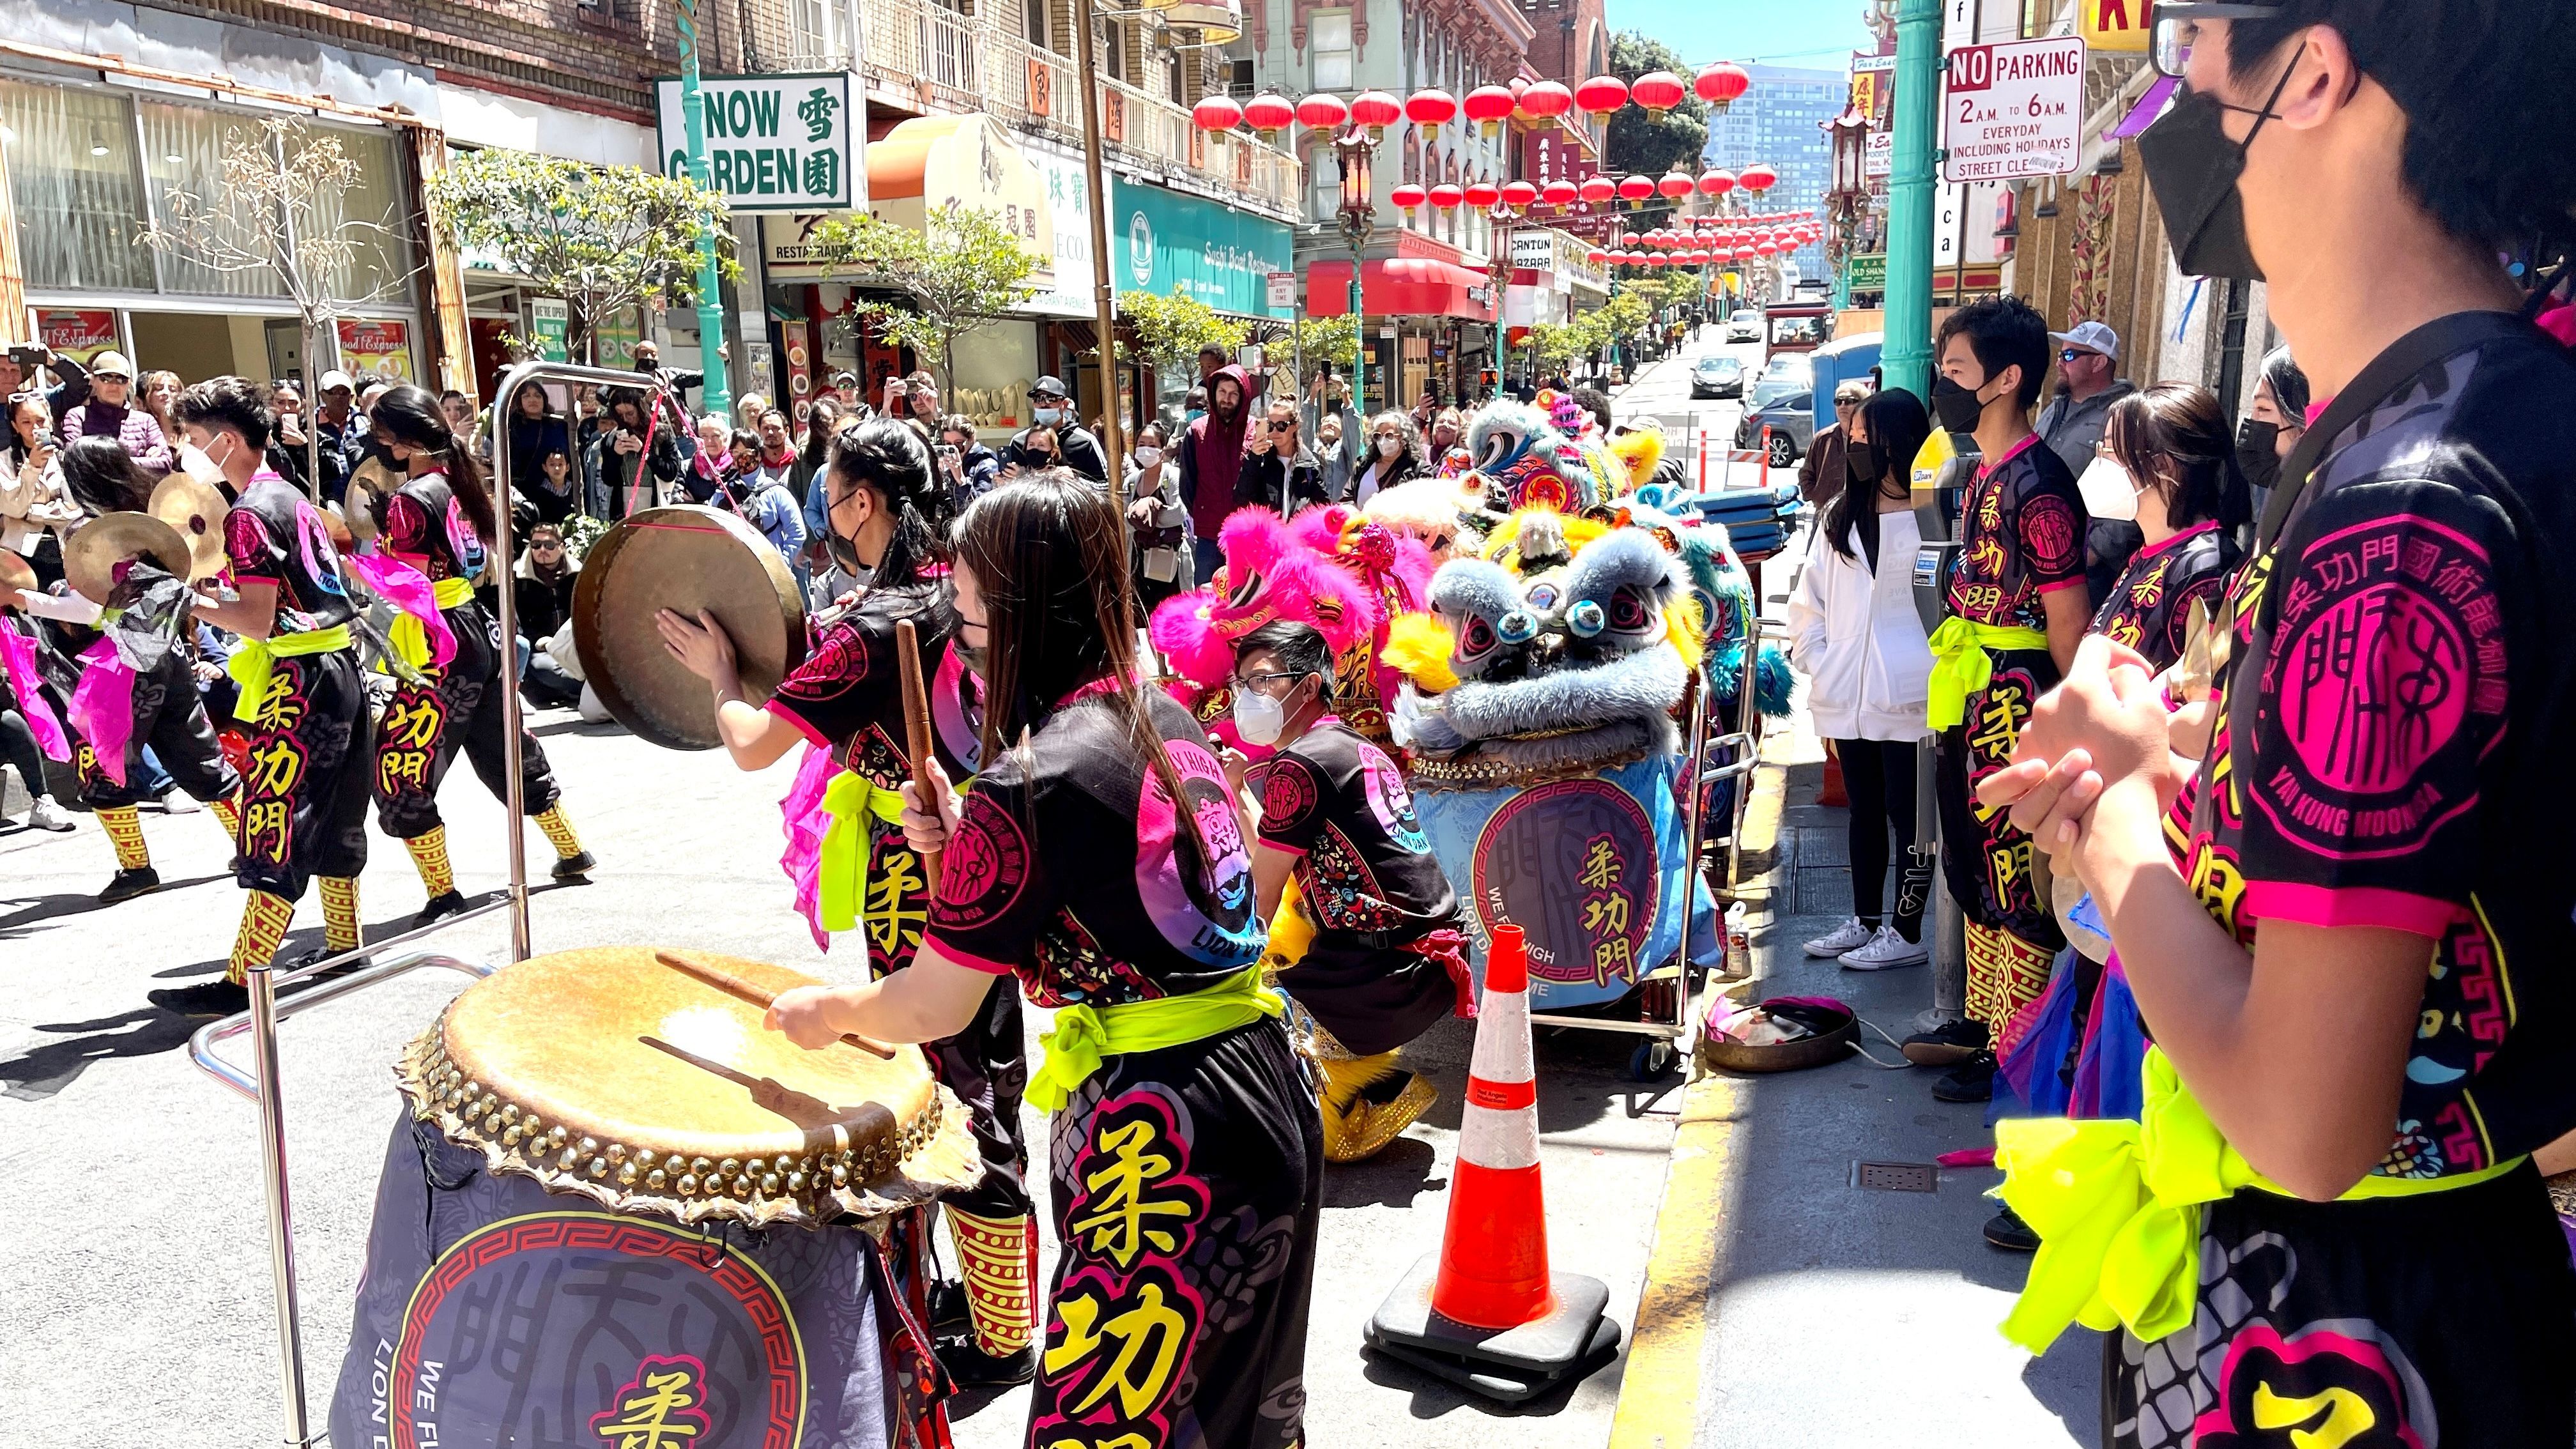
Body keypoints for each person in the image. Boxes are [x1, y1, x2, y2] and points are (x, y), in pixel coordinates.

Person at [1981, 8, 2576, 1443]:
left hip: (2346, 1338)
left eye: (2192, 44)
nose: (2172, 91)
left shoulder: (2406, 506)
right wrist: (2181, 759)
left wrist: (2115, 832)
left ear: (2312, 71)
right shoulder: (2487, 416)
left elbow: (2306, 1121)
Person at [761, 471, 1318, 1447]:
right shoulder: (1162, 715)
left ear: (1024, 619)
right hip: (1264, 1089)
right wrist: (952, 849)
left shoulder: (1031, 780)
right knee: (1229, 1417)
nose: (963, 642)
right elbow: (1105, 911)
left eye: (970, 619)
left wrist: (832, 1013)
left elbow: (935, 1004)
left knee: (1106, 1425)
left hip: (1166, 1132)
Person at [656, 418, 1039, 1388]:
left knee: (945, 1087)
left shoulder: (874, 627)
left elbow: (751, 743)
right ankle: (1000, 1307)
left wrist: (718, 675)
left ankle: (999, 1340)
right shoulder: (965, 594)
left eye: (831, 495)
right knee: (987, 1075)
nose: (828, 512)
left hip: (921, 876)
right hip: (982, 847)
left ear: (864, 501)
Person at [1906, 295, 2089, 1103]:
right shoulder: (1985, 473)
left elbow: (2067, 619)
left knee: (2015, 875)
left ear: (2007, 378)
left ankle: (2024, 1051)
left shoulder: (2040, 485)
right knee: (1972, 863)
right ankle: (1985, 1027)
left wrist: (2069, 721)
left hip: (2016, 699)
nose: (1944, 389)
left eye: (1955, 373)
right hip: (1974, 695)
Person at [153, 377, 372, 1016]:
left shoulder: (249, 511)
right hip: (337, 668)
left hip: (299, 683)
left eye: (192, 440)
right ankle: (342, 942)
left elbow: (254, 618)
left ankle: (244, 977)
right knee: (333, 812)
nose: (187, 453)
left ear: (224, 442)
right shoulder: (291, 496)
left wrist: (183, 599)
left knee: (278, 816)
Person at [1220, 620, 1469, 1160]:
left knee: (1241, 983)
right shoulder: (1344, 744)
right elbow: (1276, 848)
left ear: (1308, 687)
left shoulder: (1301, 764)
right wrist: (1238, 789)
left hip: (1384, 972)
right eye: (1242, 684)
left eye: (1262, 682)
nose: (1247, 697)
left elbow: (1260, 896)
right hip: (1419, 958)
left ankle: (1348, 1108)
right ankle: (1361, 1081)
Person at [362, 384, 591, 927]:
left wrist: (359, 561)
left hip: (439, 638)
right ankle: (571, 849)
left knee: (398, 767)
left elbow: (407, 584)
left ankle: (443, 893)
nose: (378, 442)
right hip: (474, 630)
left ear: (402, 437)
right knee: (505, 744)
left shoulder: (412, 499)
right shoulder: (454, 484)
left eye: (382, 432)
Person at [1788, 388, 1938, 971]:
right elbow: (1810, 602)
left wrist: (1925, 670)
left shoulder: (1936, 517)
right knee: (1864, 810)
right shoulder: (1838, 518)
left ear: (1899, 443)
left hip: (1912, 697)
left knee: (1912, 815)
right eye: (1852, 441)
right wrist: (1819, 659)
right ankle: (1866, 921)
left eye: (1865, 441)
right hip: (1846, 691)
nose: (1856, 451)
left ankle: (1906, 932)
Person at [2081, 385, 2249, 670]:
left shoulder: (2205, 569)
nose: (2099, 462)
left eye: (2108, 449)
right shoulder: (2148, 552)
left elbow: (2196, 693)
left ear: (2162, 465)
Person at [2032, 320, 2142, 606]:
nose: (2059, 363)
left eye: (2069, 356)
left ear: (2099, 363)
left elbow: (2137, 490)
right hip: (2042, 558)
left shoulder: (2124, 417)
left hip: (2088, 574)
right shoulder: (2055, 409)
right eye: (2060, 354)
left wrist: (2094, 553)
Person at [486, 521, 583, 710]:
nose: (542, 550)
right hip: (538, 651)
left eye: (549, 545)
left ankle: (574, 692)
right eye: (536, 545)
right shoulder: (515, 578)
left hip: (573, 645)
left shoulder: (578, 575)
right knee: (545, 671)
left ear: (561, 547)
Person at [1177, 364, 1254, 585]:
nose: (1227, 399)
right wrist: (1204, 513)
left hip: (1247, 539)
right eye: (1222, 392)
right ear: (1214, 393)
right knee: (1206, 604)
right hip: (1209, 539)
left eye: (1233, 394)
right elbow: (1187, 485)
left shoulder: (1255, 431)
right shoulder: (1196, 432)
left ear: (1243, 397)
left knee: (1248, 605)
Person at [1, 393, 77, 589]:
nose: (35, 428)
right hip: (22, 554)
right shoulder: (4, 461)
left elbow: (75, 509)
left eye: (40, 421)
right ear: (15, 426)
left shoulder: (67, 457)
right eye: (26, 422)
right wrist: (32, 468)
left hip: (66, 548)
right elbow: (14, 509)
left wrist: (32, 512)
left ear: (51, 421)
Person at [60, 351, 172, 478]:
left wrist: (103, 463)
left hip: (138, 495)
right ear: (93, 381)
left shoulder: (145, 421)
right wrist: (139, 462)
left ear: (129, 384)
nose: (114, 385)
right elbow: (75, 462)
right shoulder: (78, 417)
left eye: (121, 379)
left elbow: (165, 464)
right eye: (106, 378)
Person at [2234, 344, 2310, 519]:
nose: (2253, 420)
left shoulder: (2318, 503)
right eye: (2253, 409)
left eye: (2263, 409)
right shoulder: (2275, 491)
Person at [1123, 420, 1189, 606]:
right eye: (1141, 445)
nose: (1146, 450)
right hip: (1139, 559)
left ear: (1162, 449)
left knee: (1170, 605)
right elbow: (1122, 520)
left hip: (1168, 556)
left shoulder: (1173, 476)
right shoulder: (1131, 481)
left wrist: (1145, 516)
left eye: (1152, 445)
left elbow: (1178, 513)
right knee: (1142, 609)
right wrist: (1144, 517)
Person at [590, 386, 679, 519]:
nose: (625, 419)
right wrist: (615, 455)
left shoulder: (661, 434)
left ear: (640, 409)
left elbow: (670, 473)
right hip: (624, 509)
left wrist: (645, 452)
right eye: (620, 415)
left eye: (630, 413)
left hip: (656, 507)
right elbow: (608, 480)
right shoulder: (611, 438)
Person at [732, 418, 809, 562]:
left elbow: (797, 532)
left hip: (769, 572)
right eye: (736, 452)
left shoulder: (775, 492)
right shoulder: (724, 490)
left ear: (759, 455)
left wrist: (782, 563)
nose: (741, 458)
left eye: (746, 453)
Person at [1003, 376, 1105, 481]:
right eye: (1038, 399)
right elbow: (1007, 488)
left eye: (1050, 399)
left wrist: (1076, 479)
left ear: (1064, 404)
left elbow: (1106, 486)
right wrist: (1006, 482)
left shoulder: (1085, 442)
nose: (1043, 404)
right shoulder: (1019, 442)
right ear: (1033, 404)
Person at [1239, 396, 1324, 515]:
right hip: (1269, 532)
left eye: (1281, 426)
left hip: (1298, 532)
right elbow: (1242, 501)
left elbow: (1324, 507)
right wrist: (1254, 458)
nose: (1274, 432)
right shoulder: (1260, 461)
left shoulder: (1309, 464)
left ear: (1295, 427)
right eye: (1270, 426)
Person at [1798, 382, 1868, 510]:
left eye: (1849, 401)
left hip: (1862, 512)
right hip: (1826, 512)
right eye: (1838, 401)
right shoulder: (1824, 438)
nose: (1842, 406)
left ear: (1862, 405)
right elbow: (1806, 473)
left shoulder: (1871, 437)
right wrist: (1816, 497)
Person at [502, 381, 571, 503]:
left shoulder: (559, 426)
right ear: (520, 400)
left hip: (557, 495)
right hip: (523, 497)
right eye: (527, 396)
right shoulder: (511, 426)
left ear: (544, 399)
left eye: (537, 395)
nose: (532, 399)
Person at [0, 344, 90, 425]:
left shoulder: (39, 402)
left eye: (14, 370)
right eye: (1, 370)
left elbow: (82, 387)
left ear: (22, 375)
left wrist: (54, 361)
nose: (9, 376)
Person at [1349, 411, 1420, 507]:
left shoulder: (1418, 469)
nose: (1383, 441)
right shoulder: (1363, 464)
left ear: (1404, 438)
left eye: (1389, 435)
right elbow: (1347, 496)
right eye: (1378, 436)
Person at [933, 413, 999, 510]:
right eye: (948, 445)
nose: (954, 450)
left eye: (959, 444)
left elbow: (981, 509)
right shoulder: (947, 465)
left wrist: (962, 481)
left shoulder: (986, 464)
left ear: (971, 439)